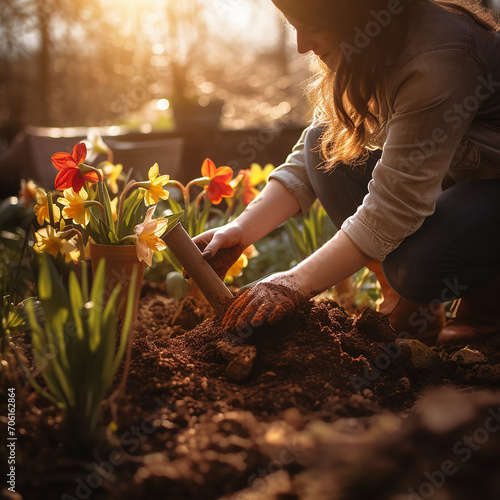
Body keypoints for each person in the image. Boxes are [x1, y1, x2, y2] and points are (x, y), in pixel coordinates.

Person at [194, 0, 500, 345]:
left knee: (417, 264)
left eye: (312, 26)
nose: (301, 45)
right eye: (294, 26)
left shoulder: (438, 60)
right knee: (322, 143)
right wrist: (241, 230)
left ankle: (488, 308)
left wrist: (294, 283)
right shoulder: (372, 44)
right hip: (460, 180)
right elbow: (320, 147)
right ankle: (412, 310)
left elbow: (394, 209)